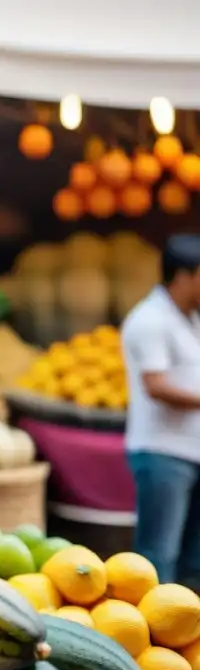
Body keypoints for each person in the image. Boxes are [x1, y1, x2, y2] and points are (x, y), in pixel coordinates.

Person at [121, 234, 200, 590]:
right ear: (183, 275)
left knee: (193, 558)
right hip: (163, 453)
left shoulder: (190, 320)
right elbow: (155, 385)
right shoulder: (149, 319)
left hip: (191, 450)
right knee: (158, 555)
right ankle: (153, 640)